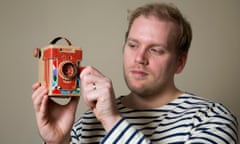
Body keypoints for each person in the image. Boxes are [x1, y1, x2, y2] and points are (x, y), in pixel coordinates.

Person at [32, 2, 239, 144]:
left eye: (156, 50)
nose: (140, 58)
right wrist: (57, 141)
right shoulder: (86, 124)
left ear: (180, 63)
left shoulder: (212, 119)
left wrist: (112, 121)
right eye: (133, 45)